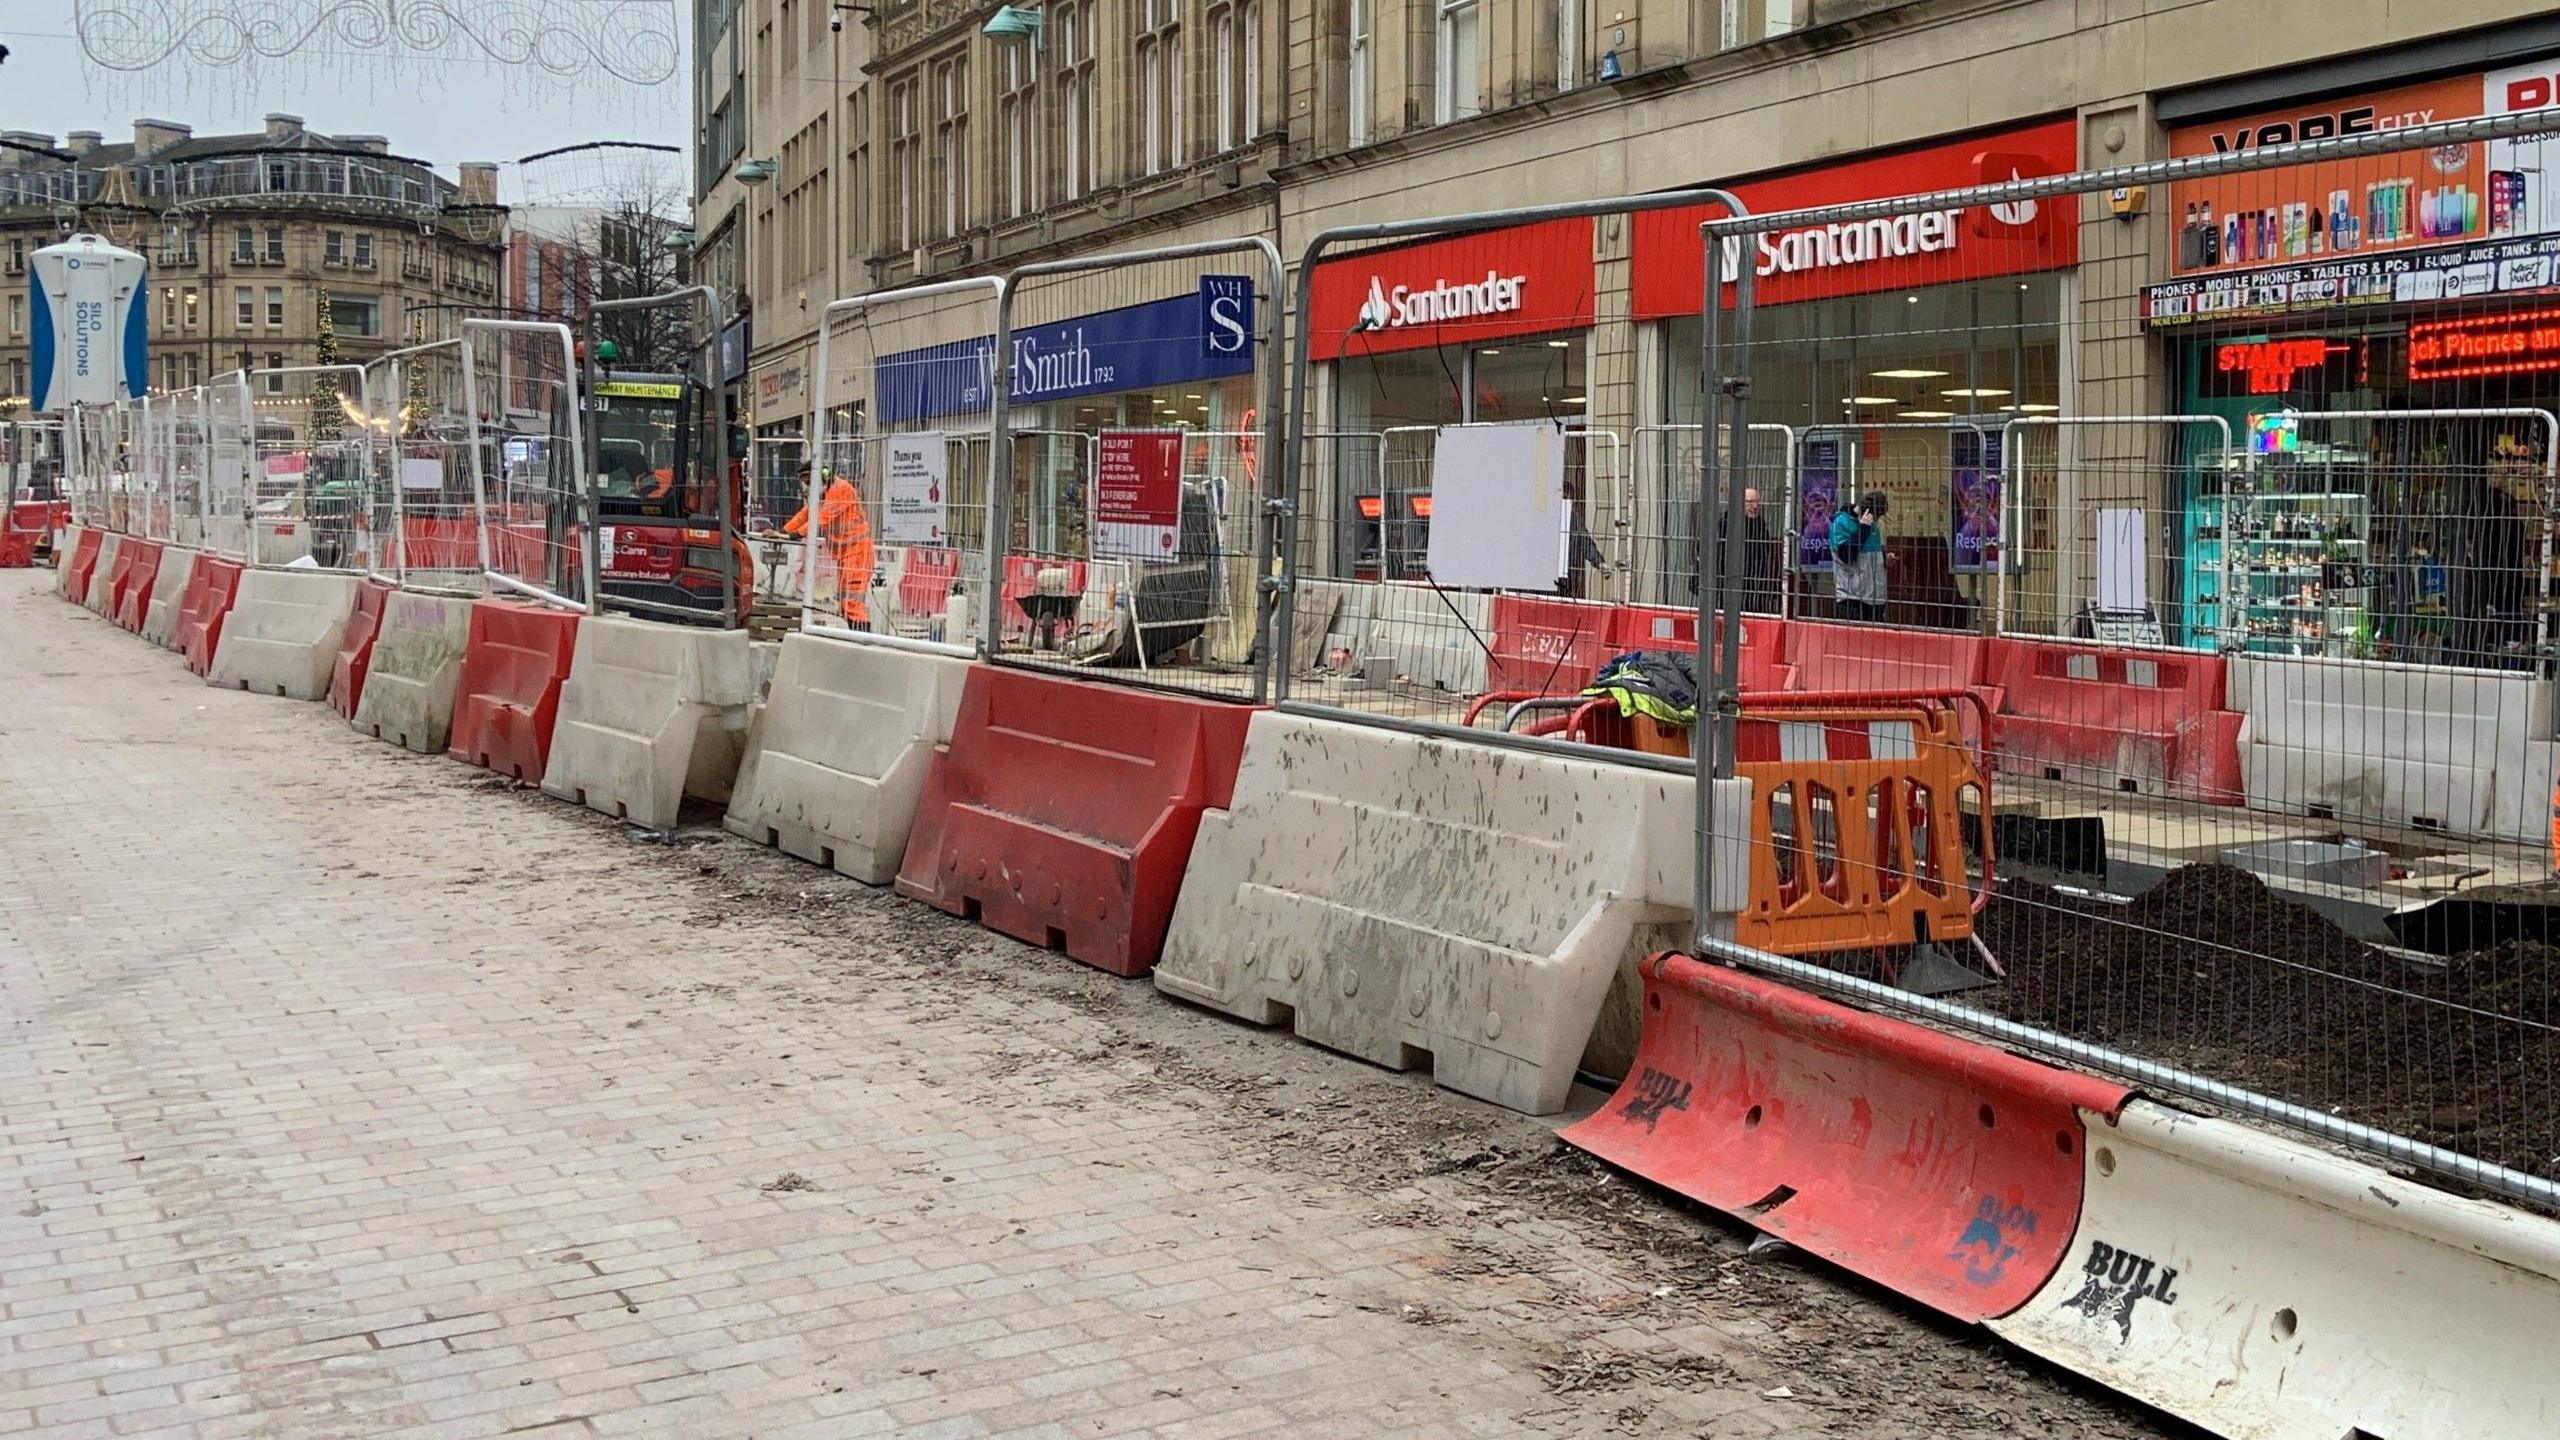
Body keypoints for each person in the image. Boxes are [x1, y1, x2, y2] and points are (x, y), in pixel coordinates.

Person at [784, 470, 875, 629]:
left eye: (809, 482)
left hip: (857, 550)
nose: (808, 487)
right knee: (846, 601)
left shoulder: (840, 490)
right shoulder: (826, 493)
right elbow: (806, 514)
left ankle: (862, 637)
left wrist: (797, 534)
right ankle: (857, 636)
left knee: (852, 601)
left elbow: (822, 519)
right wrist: (784, 532)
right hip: (848, 551)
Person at [1715, 486, 1782, 613]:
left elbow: (1765, 561)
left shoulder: (1761, 528)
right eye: (1750, 502)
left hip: (1757, 590)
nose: (1755, 506)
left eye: (1757, 502)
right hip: (1732, 587)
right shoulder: (1727, 526)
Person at [1828, 491, 1890, 623]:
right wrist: (1863, 529)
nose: (1877, 520)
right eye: (1876, 516)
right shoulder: (1841, 523)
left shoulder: (1872, 527)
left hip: (1875, 596)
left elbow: (1870, 556)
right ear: (1867, 511)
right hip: (1852, 597)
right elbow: (1846, 556)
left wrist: (1885, 558)